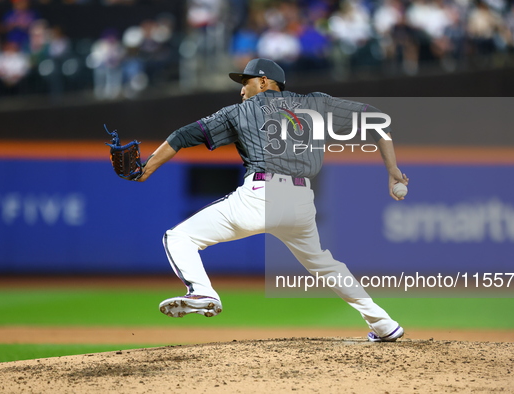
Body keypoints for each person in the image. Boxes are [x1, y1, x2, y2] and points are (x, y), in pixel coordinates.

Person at [137, 58, 408, 342]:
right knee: (324, 265)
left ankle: (202, 291)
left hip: (260, 197)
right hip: (301, 201)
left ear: (264, 81)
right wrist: (392, 170)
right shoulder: (316, 104)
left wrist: (146, 171)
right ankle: (384, 325)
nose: (242, 90)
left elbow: (181, 136)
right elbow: (376, 119)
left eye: (246, 82)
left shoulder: (239, 112)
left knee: (178, 238)